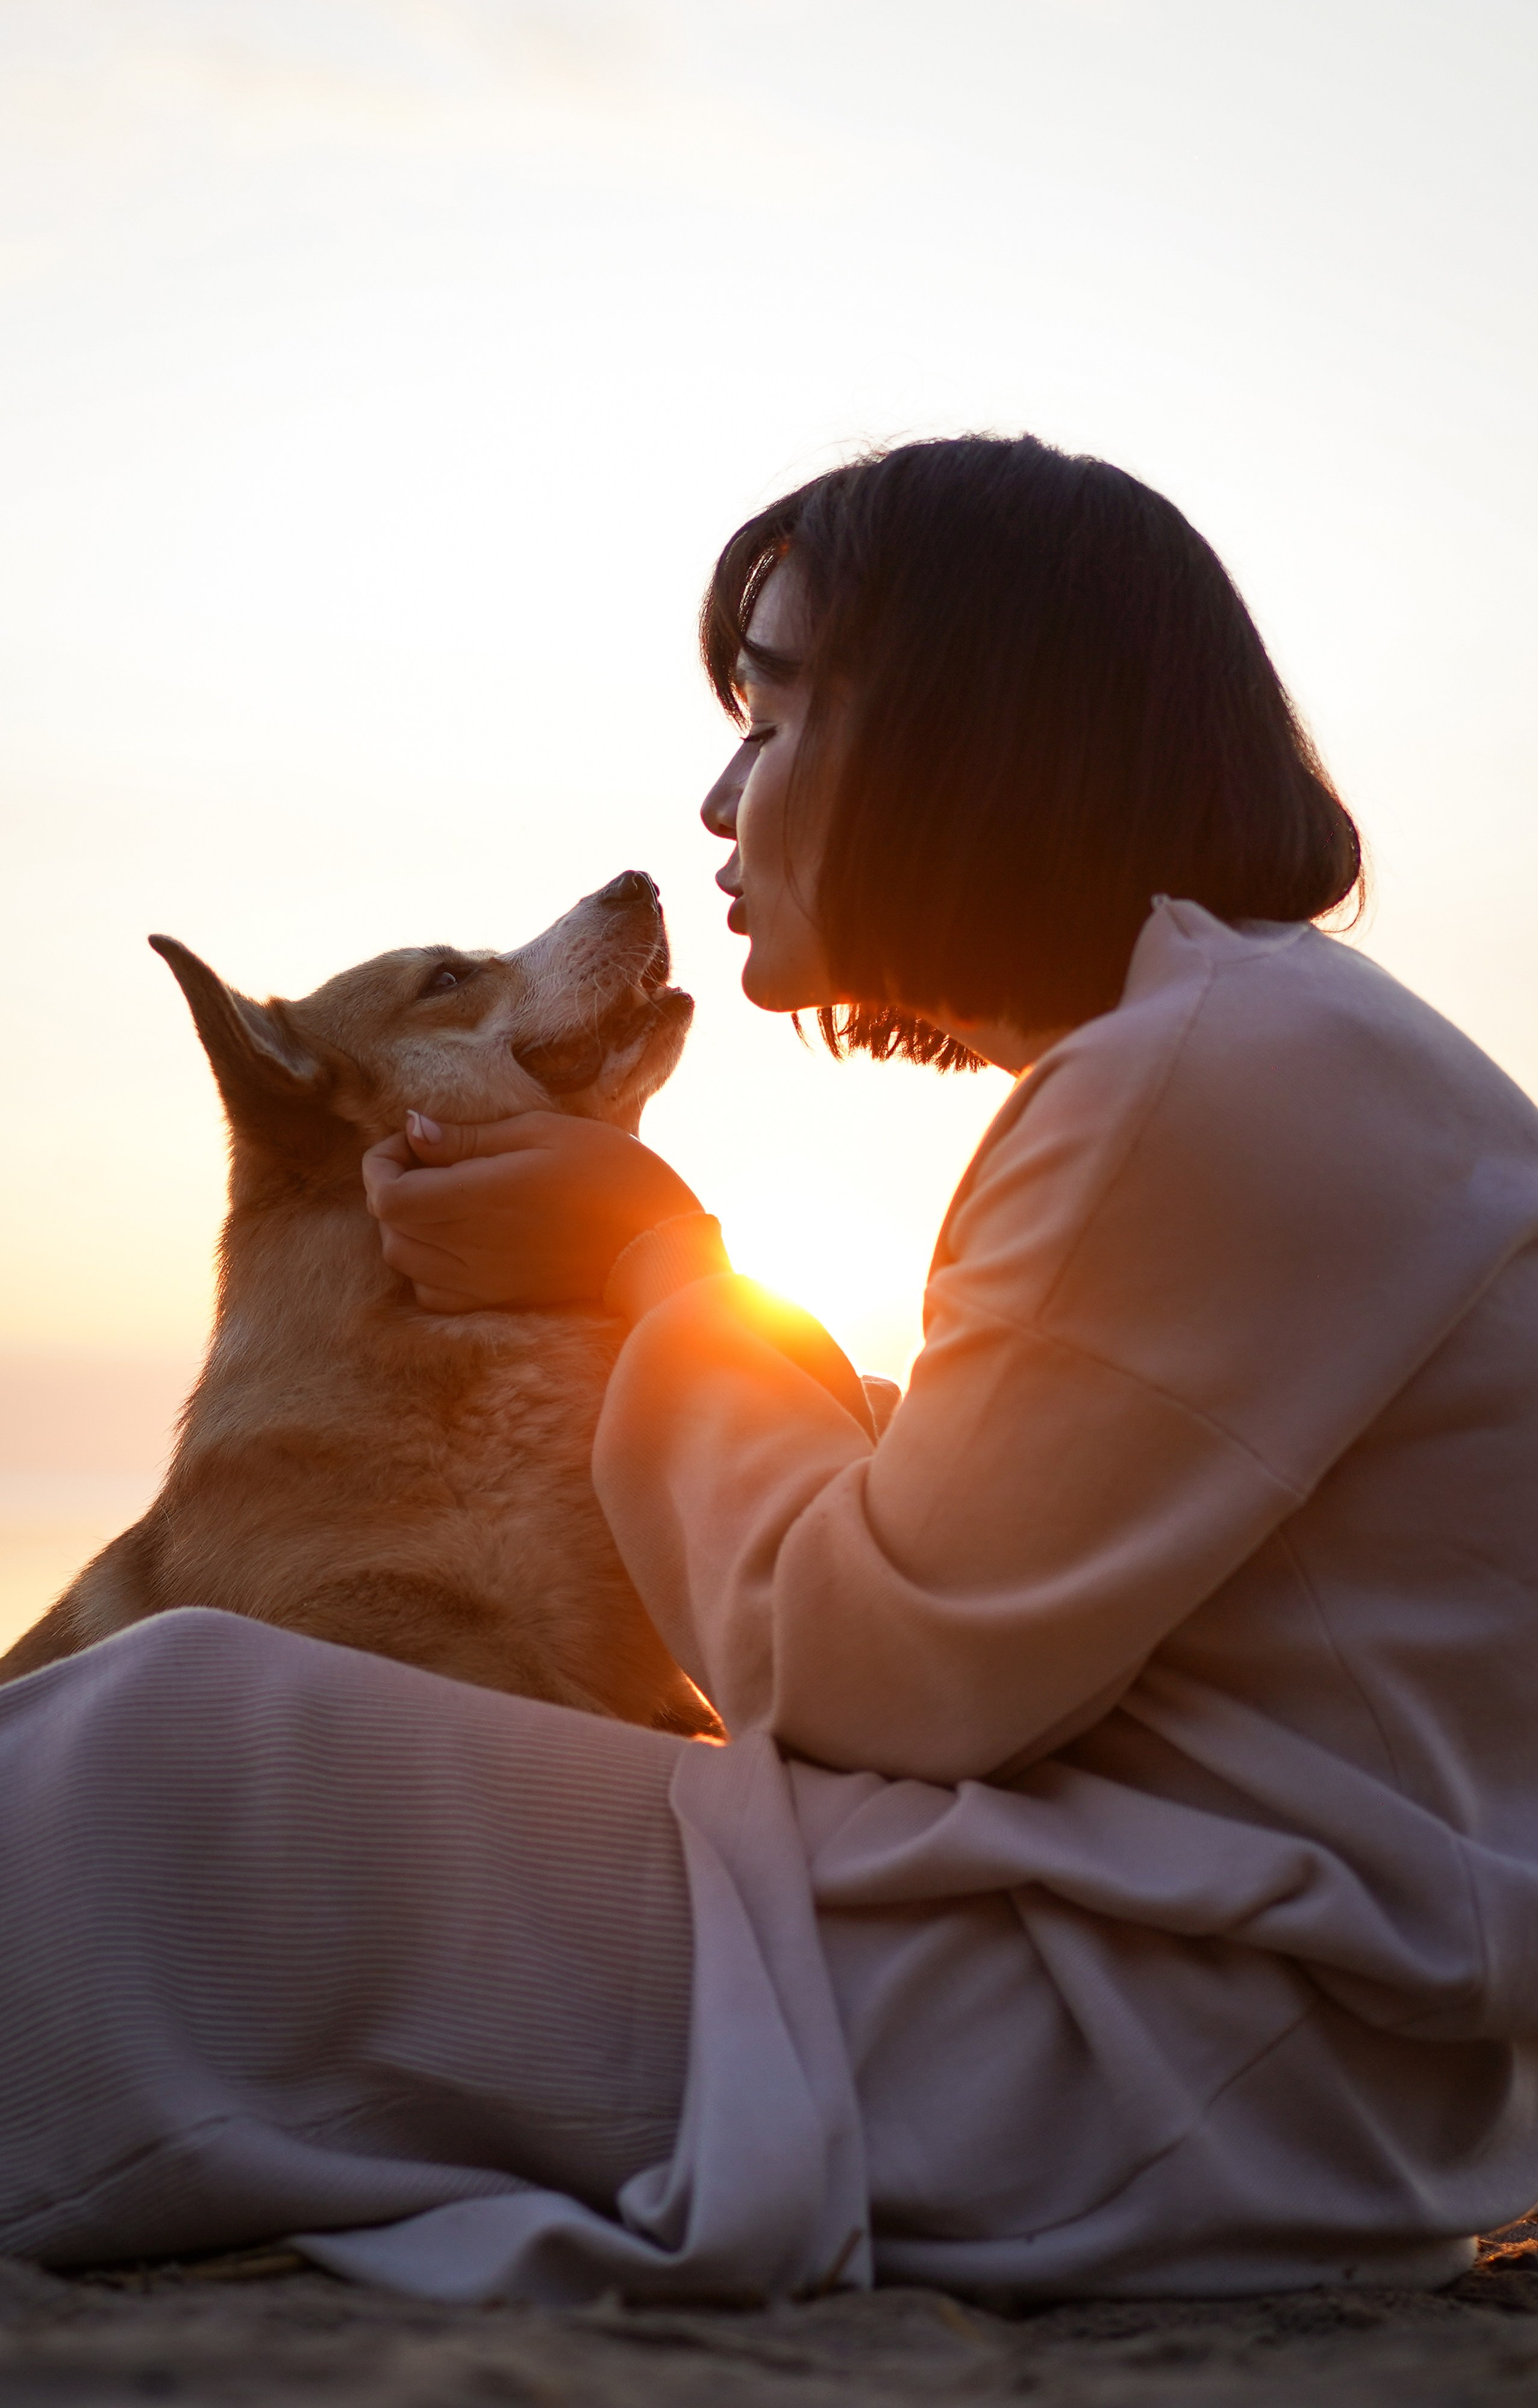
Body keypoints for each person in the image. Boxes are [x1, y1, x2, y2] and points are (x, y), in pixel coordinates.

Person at [3, 435, 1536, 2303]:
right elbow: (968, 1553)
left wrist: (647, 1264)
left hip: (1131, 2055)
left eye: (775, 716)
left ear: (968, 737)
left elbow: (874, 1667)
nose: (719, 801)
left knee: (162, 1736)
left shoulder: (1204, 1075)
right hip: (1220, 2036)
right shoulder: (1241, 1048)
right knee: (159, 1739)